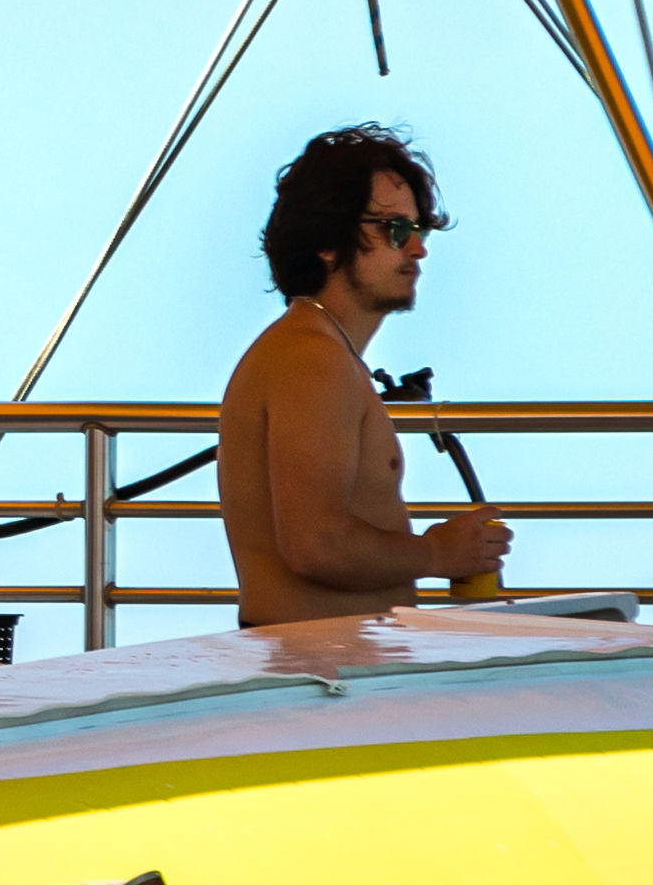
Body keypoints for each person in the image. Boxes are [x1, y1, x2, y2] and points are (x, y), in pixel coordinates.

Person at [215, 125, 513, 625]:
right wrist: (438, 554)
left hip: (326, 672)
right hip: (316, 677)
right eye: (395, 229)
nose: (418, 249)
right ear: (328, 242)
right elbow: (317, 545)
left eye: (419, 230)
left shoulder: (319, 351)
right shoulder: (312, 359)